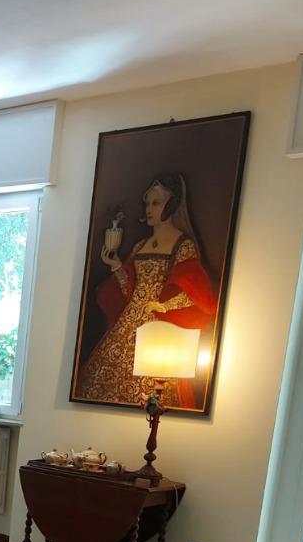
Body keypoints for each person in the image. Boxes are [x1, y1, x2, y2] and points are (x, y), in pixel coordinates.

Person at [77, 173, 216, 408]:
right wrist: (116, 266)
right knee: (99, 378)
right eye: (148, 203)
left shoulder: (183, 245)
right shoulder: (140, 245)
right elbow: (129, 289)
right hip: (128, 321)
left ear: (171, 204)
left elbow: (195, 294)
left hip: (157, 327)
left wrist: (164, 306)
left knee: (153, 389)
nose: (149, 209)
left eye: (156, 203)